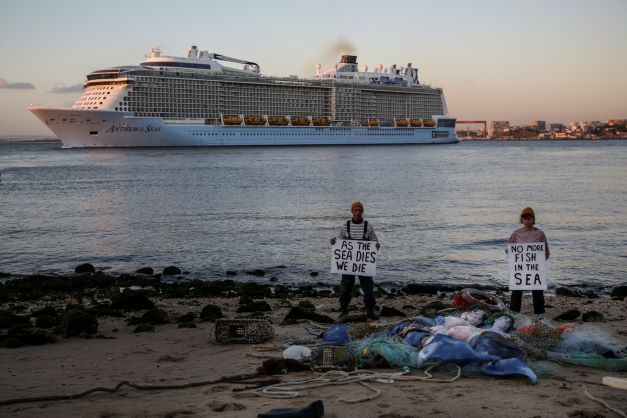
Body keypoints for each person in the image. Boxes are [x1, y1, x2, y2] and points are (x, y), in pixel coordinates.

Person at [330, 201, 380, 321]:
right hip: (348, 264)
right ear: (352, 212)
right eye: (355, 210)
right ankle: (343, 311)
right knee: (345, 287)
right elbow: (340, 241)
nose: (357, 212)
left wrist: (376, 245)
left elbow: (374, 240)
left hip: (364, 263)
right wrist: (334, 242)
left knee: (368, 287)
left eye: (359, 210)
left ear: (362, 212)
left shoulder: (368, 226)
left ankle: (370, 310)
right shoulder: (345, 225)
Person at [508, 207, 550, 318]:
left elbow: (545, 251)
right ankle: (514, 312)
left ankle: (539, 312)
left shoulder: (540, 233)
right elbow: (510, 249)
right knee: (517, 290)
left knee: (537, 289)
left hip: (535, 267)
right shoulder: (516, 233)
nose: (527, 220)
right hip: (521, 267)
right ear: (522, 220)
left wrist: (539, 262)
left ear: (533, 219)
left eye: (529, 218)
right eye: (525, 218)